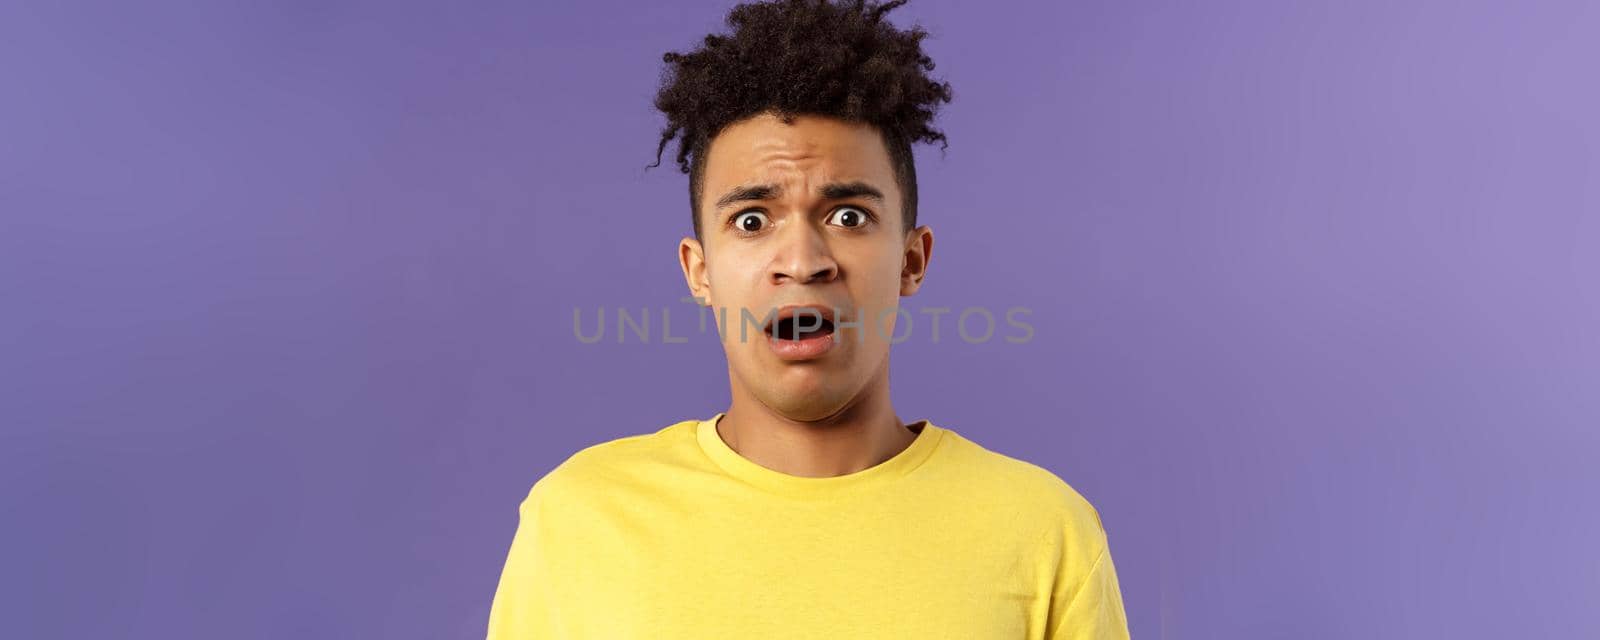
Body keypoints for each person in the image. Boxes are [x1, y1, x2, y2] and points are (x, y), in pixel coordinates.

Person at [486, 1, 1129, 637]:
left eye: (848, 215)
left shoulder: (1045, 530)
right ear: (699, 271)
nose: (801, 260)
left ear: (912, 260)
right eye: (751, 220)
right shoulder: (577, 520)